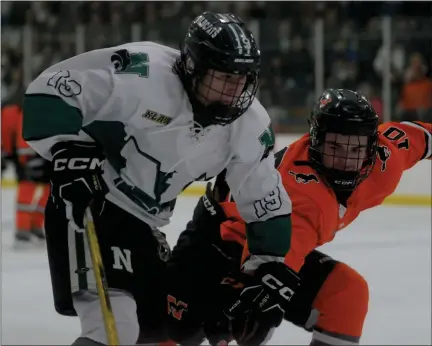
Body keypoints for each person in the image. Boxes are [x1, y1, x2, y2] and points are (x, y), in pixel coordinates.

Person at [22, 12, 294, 345]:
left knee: (165, 331)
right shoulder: (143, 71)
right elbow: (50, 92)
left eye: (242, 80)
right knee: (114, 328)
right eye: (224, 77)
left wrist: (269, 268)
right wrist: (68, 149)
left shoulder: (248, 126)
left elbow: (264, 200)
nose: (234, 90)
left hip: (142, 227)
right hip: (87, 204)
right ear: (194, 66)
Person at [164, 89, 432, 346]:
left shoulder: (387, 159)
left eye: (355, 150)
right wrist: (260, 298)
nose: (345, 161)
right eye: (334, 147)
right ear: (316, 139)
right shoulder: (302, 193)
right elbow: (278, 253)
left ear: (373, 147)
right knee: (174, 327)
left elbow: (422, 138)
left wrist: (266, 296)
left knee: (346, 295)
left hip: (273, 244)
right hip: (220, 238)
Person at [2, 100, 49, 248]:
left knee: (48, 191)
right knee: (28, 192)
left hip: (38, 154)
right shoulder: (25, 108)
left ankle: (33, 227)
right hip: (30, 155)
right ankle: (23, 231)